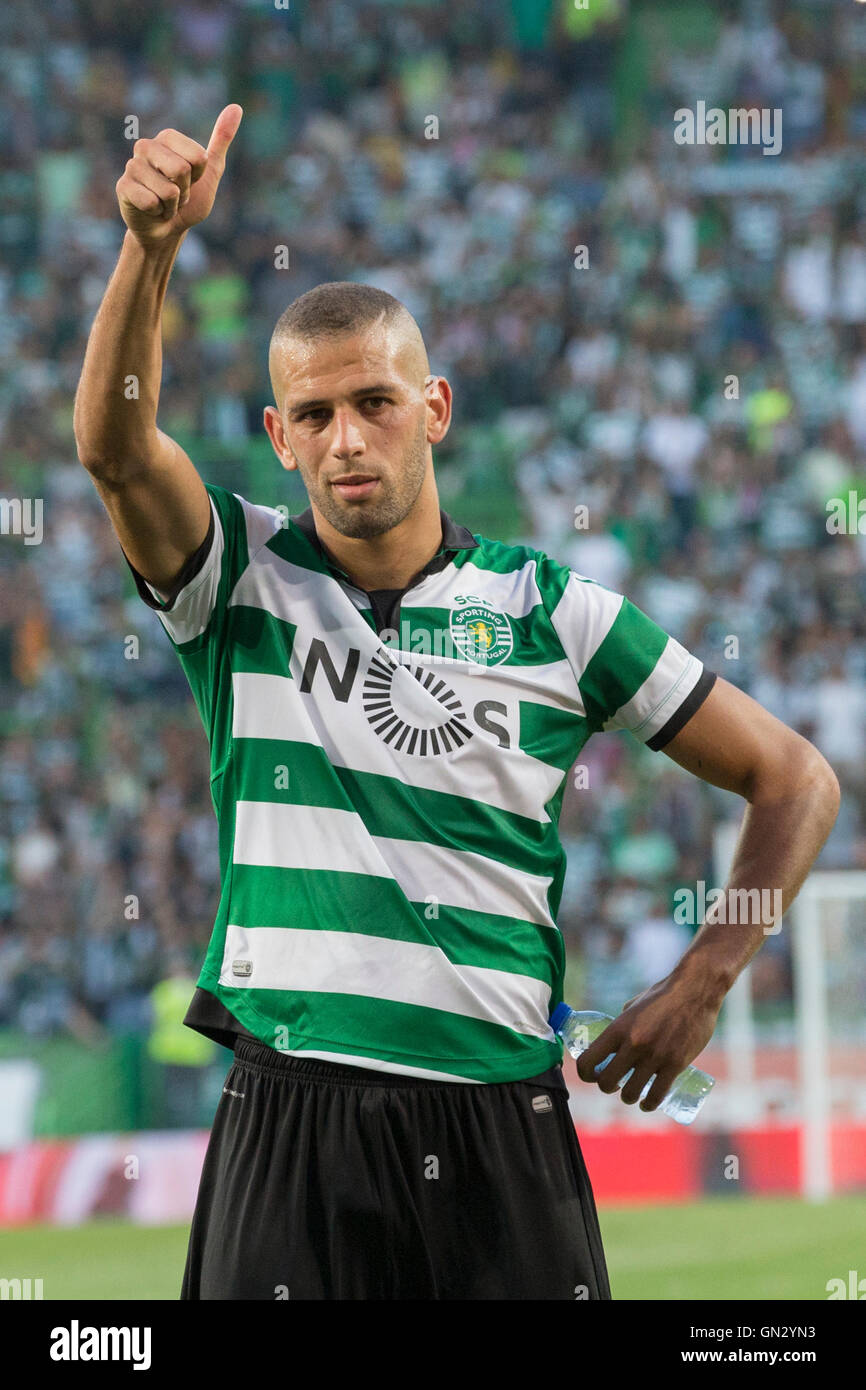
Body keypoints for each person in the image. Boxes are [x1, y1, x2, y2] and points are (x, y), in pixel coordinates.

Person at [73, 106, 840, 1300]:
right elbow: (117, 453)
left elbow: (794, 776)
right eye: (314, 416)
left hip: (499, 1121)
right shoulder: (235, 576)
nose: (345, 440)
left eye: (374, 402)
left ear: (433, 408)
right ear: (277, 437)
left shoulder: (555, 611)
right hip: (292, 1112)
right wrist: (149, 249)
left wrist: (699, 985)